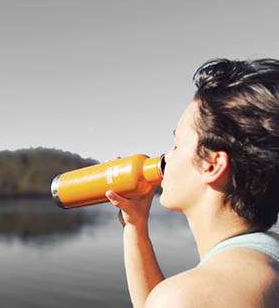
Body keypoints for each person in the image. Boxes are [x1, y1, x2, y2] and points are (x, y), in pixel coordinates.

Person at [105, 58, 279, 307]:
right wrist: (136, 226)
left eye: (176, 145)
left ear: (211, 165)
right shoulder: (268, 257)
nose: (164, 158)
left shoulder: (186, 297)